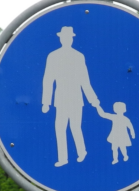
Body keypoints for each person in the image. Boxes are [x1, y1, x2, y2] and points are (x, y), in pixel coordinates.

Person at [41, 26, 101, 166]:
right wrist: (46, 103)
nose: (66, 40)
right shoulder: (53, 56)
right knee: (60, 128)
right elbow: (48, 79)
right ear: (60, 38)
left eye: (69, 37)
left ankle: (82, 152)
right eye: (64, 37)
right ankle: (63, 159)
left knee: (75, 127)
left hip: (75, 98)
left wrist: (94, 101)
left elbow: (85, 81)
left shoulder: (78, 56)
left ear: (71, 39)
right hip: (61, 98)